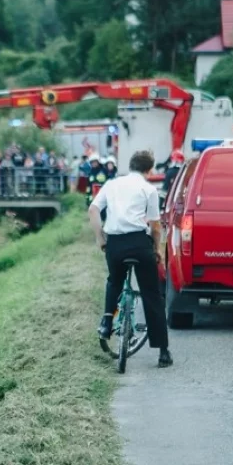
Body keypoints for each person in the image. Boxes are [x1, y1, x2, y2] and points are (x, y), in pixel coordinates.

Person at [89, 150, 172, 368]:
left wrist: (100, 238)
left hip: (115, 244)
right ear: (149, 169)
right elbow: (155, 225)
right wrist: (157, 250)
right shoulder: (148, 189)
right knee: (152, 294)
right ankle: (163, 353)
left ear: (130, 165)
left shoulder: (111, 184)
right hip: (138, 243)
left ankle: (107, 323)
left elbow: (93, 210)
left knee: (114, 281)